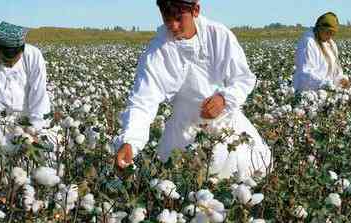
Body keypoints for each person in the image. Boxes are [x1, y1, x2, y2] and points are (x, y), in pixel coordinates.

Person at [115, 0, 271, 180]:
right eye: (167, 19)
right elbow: (143, 101)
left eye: (179, 18)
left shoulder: (219, 35)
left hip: (227, 128)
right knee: (184, 188)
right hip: (183, 135)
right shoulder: (157, 51)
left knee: (241, 181)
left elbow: (243, 79)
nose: (173, 25)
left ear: (195, 10)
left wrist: (224, 99)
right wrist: (130, 142)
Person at [0, 21, 50, 145]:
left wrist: (35, 129)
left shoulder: (33, 56)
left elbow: (39, 94)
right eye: (6, 60)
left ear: (22, 51)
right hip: (0, 127)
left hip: (30, 122)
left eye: (15, 60)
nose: (11, 64)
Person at [293, 12, 350, 93]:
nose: (330, 36)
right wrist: (325, 84)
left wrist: (341, 80)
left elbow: (335, 71)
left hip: (326, 93)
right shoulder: (308, 42)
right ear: (320, 29)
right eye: (328, 32)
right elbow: (305, 74)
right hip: (307, 95)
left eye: (332, 33)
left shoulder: (331, 44)